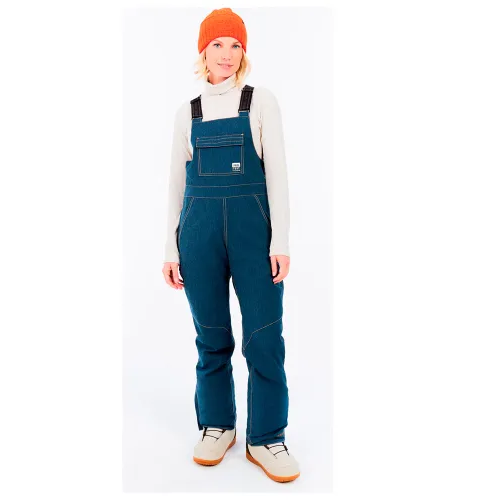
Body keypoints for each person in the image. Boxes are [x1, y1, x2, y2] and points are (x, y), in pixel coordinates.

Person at [161, 8, 300, 483]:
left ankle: (267, 437)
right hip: (198, 235)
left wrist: (281, 241)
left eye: (235, 45)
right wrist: (171, 248)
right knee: (212, 337)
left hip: (253, 236)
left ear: (245, 52)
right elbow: (176, 185)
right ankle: (218, 425)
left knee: (264, 337)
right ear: (203, 52)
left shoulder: (259, 102)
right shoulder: (188, 112)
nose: (226, 54)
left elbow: (278, 175)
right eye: (217, 44)